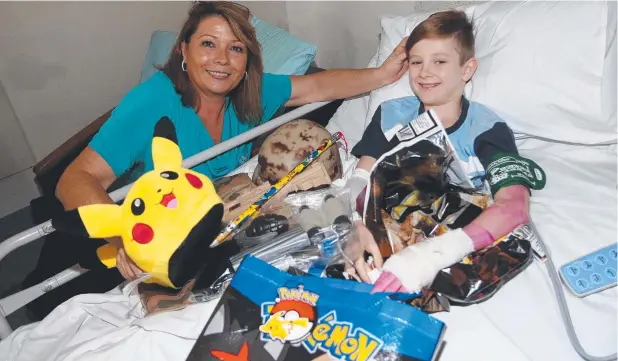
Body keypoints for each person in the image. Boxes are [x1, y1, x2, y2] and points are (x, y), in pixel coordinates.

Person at [22, 0, 409, 319]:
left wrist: (382, 74)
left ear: (246, 61)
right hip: (120, 231)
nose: (222, 59)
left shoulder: (248, 96)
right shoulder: (153, 102)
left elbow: (317, 86)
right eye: (208, 44)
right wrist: (123, 236)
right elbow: (75, 179)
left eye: (235, 48)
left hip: (197, 228)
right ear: (183, 51)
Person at [343, 10, 544, 293]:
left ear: (467, 69)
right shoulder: (390, 116)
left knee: (506, 249)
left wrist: (429, 257)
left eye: (439, 61)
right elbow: (360, 178)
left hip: (451, 229)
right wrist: (351, 224)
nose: (424, 72)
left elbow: (513, 206)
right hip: (389, 218)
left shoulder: (486, 129)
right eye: (416, 62)